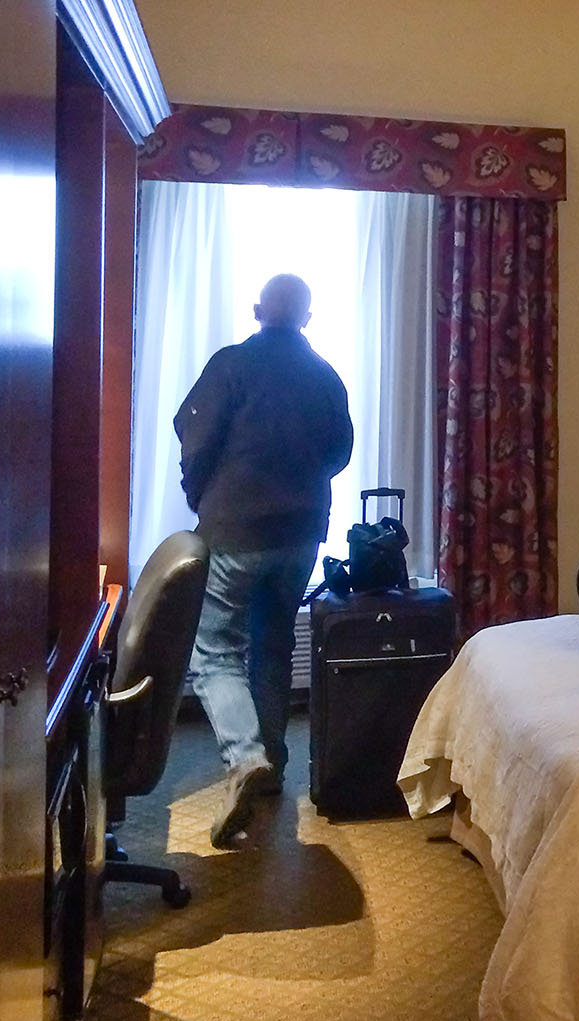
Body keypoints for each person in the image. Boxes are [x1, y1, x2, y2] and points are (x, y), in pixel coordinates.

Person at [176, 273, 353, 847]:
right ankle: (271, 766)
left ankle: (244, 754)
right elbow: (339, 452)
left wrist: (199, 495)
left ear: (257, 310)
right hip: (300, 533)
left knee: (214, 650)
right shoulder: (325, 375)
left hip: (236, 528)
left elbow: (194, 436)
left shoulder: (231, 365)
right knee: (274, 644)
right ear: (307, 318)